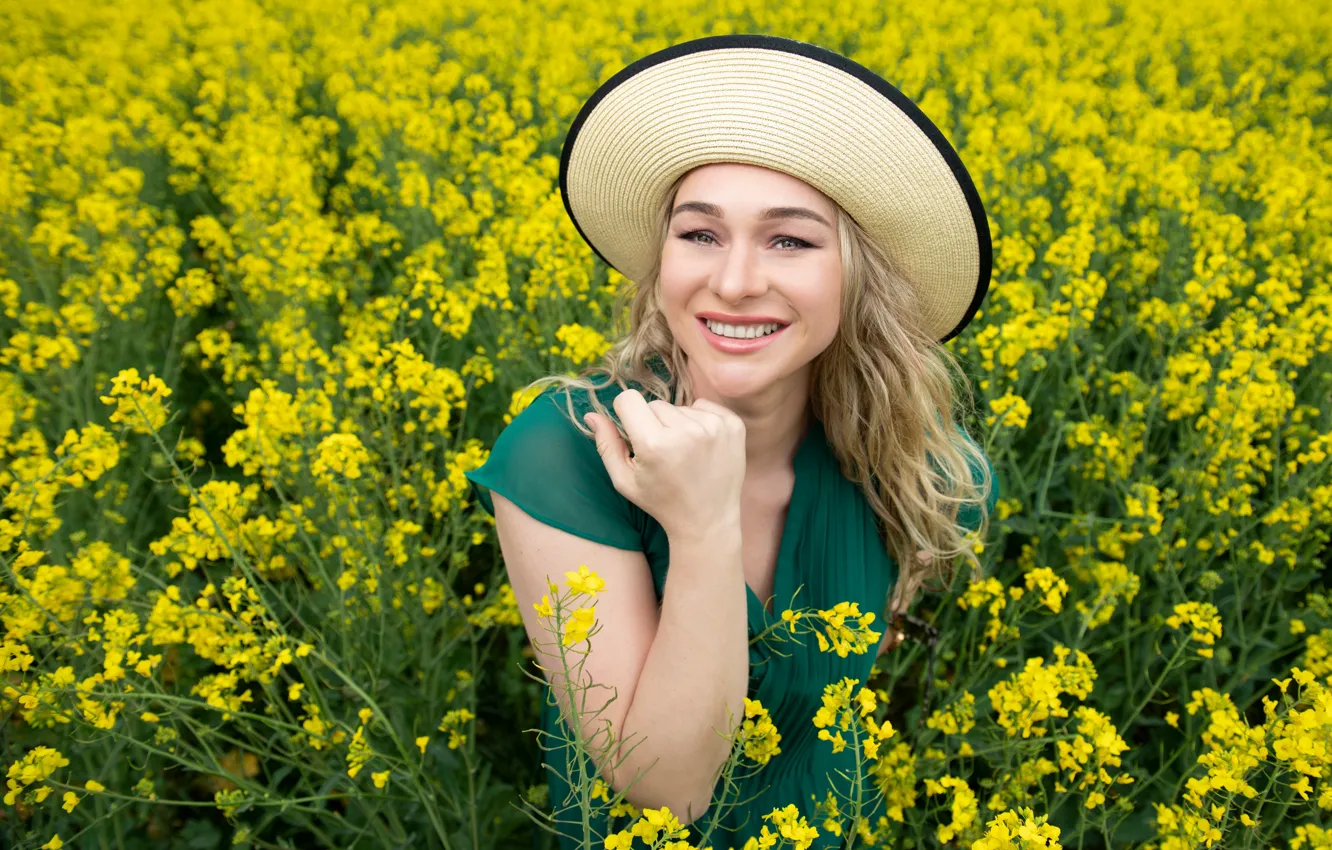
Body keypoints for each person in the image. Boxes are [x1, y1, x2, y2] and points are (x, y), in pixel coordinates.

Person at [464, 33, 1000, 850]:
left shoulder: (919, 460)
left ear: (860, 275)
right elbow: (666, 789)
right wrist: (703, 524)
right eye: (700, 234)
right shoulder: (564, 453)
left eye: (791, 240)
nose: (736, 280)